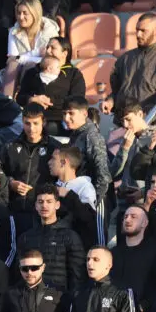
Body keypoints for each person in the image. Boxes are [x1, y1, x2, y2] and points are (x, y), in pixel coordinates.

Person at [102, 14, 156, 120]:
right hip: (120, 123)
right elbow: (117, 91)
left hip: (148, 125)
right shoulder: (125, 59)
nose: (138, 34)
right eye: (137, 30)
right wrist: (110, 101)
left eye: (143, 31)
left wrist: (140, 119)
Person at [0, 103, 56, 237]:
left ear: (44, 122)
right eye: (27, 123)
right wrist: (10, 183)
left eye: (36, 123)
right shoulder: (10, 146)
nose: (31, 128)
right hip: (14, 210)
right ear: (22, 122)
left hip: (43, 213)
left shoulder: (54, 148)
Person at [17, 183, 84, 292]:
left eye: (49, 201)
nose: (44, 205)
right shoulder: (25, 238)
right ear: (36, 206)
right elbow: (19, 271)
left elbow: (78, 275)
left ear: (57, 205)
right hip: (29, 296)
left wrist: (72, 298)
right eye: (40, 202)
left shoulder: (70, 236)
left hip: (60, 297)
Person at [62, 96, 110, 241]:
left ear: (84, 113)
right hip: (80, 198)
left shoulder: (92, 135)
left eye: (71, 113)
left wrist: (94, 202)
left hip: (94, 199)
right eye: (64, 113)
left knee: (98, 244)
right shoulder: (76, 134)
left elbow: (103, 173)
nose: (66, 118)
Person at [15, 38, 84, 136]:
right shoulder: (32, 72)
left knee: (48, 129)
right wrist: (31, 99)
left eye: (53, 48)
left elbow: (78, 100)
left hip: (59, 119)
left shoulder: (74, 74)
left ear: (64, 53)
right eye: (47, 47)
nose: (48, 51)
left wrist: (49, 101)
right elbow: (20, 98)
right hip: (32, 119)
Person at [109, 204, 156, 312]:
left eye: (133, 217)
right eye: (125, 217)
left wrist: (144, 305)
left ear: (145, 223)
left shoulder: (155, 252)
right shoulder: (113, 253)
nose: (127, 220)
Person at [69, 246, 134, 312]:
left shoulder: (121, 292)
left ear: (108, 265)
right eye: (88, 259)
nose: (90, 263)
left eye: (96, 259)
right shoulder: (79, 291)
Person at [0, 0, 58, 97]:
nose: (21, 17)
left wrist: (22, 58)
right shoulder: (14, 31)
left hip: (45, 68)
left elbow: (50, 59)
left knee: (30, 66)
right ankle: (7, 100)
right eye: (19, 13)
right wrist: (36, 53)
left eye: (25, 13)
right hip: (19, 69)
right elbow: (12, 58)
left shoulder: (49, 30)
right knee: (12, 65)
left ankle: (25, 99)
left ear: (35, 14)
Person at [48, 144, 98, 249]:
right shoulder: (51, 186)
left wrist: (68, 195)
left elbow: (88, 218)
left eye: (53, 159)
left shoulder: (84, 186)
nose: (49, 162)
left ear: (63, 162)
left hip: (76, 247)